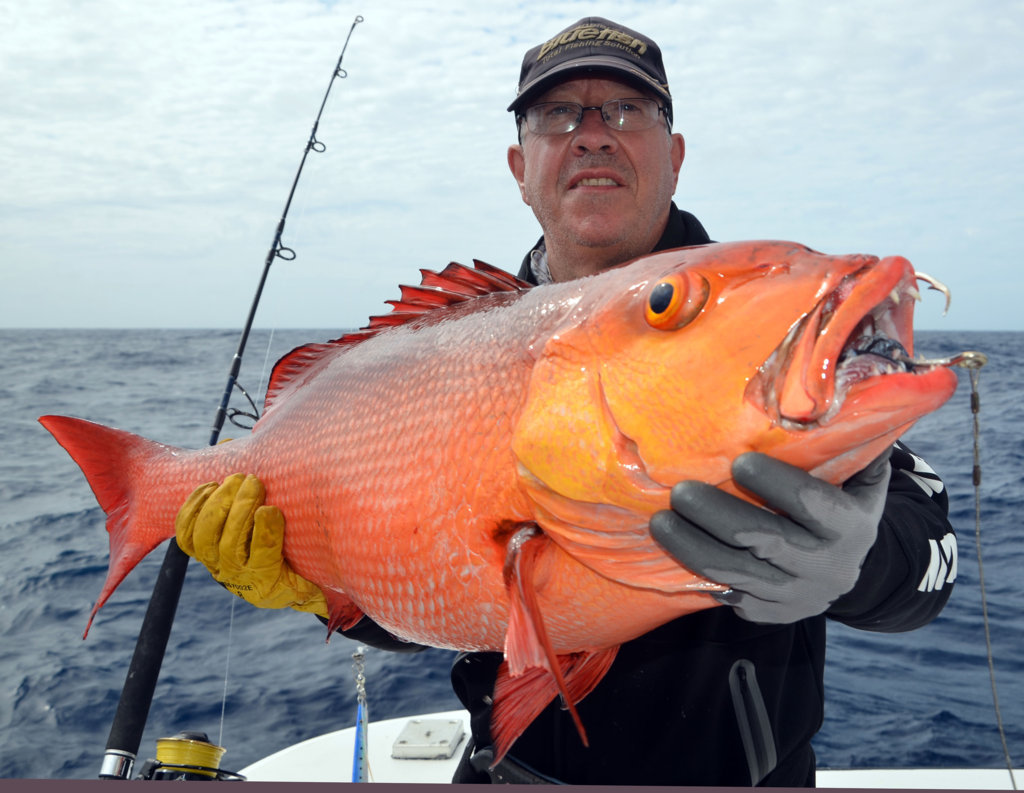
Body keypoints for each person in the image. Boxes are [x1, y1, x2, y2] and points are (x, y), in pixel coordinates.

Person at [175, 17, 957, 786]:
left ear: (674, 156)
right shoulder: (459, 348)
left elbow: (929, 552)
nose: (592, 134)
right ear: (520, 166)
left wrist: (854, 564)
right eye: (558, 116)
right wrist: (322, 589)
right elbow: (435, 591)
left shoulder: (757, 322)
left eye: (627, 110)